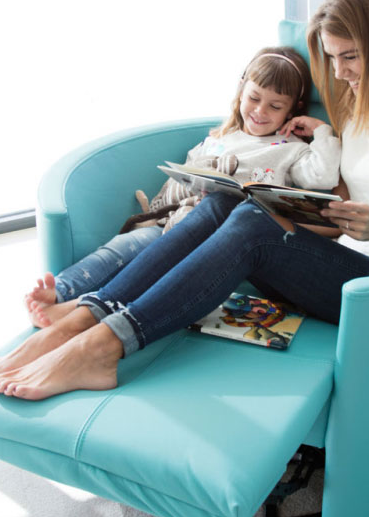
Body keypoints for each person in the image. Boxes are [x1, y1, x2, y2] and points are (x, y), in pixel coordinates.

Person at [0, 0, 369, 400]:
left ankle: (101, 349)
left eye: (350, 57)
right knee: (230, 201)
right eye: (332, 58)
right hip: (346, 264)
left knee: (249, 225)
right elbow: (338, 215)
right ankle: (86, 317)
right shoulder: (360, 108)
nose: (339, 74)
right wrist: (286, 206)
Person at [19, 46, 341, 329]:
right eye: (254, 98)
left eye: (275, 106)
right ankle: (62, 289)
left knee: (152, 270)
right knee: (124, 247)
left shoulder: (291, 149)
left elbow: (324, 177)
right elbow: (185, 177)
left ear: (293, 110)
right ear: (241, 91)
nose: (259, 111)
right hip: (176, 223)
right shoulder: (220, 138)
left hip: (222, 244)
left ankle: (88, 309)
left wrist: (321, 131)